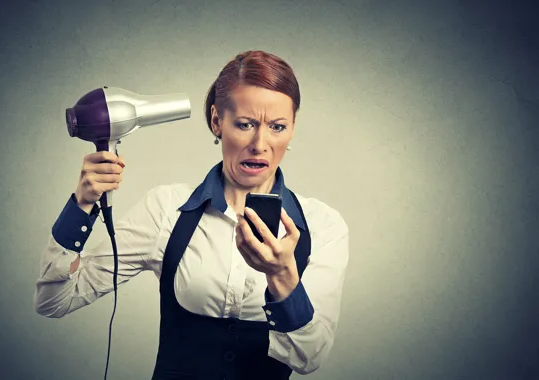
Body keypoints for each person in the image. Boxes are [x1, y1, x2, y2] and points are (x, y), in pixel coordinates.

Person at [34, 50, 350, 379]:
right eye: (245, 124)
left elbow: (309, 359)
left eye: (277, 126)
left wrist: (282, 276)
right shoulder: (164, 210)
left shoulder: (322, 226)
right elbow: (54, 300)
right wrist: (82, 204)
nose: (260, 143)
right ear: (217, 121)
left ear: (293, 128)